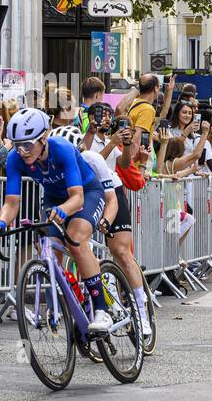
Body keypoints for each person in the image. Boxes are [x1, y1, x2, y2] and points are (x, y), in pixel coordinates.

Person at [0, 108, 116, 333]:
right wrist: (0, 223)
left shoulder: (62, 149)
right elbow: (11, 202)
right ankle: (63, 306)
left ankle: (101, 309)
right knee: (47, 248)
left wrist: (63, 210)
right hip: (54, 197)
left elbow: (76, 199)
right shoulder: (15, 158)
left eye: (27, 145)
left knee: (76, 239)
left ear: (43, 138)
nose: (22, 151)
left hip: (85, 192)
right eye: (17, 145)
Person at [51, 124, 152, 336]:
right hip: (78, 199)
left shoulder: (92, 159)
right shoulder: (53, 164)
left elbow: (111, 199)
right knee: (72, 246)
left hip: (110, 194)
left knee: (121, 251)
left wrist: (106, 221)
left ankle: (141, 313)